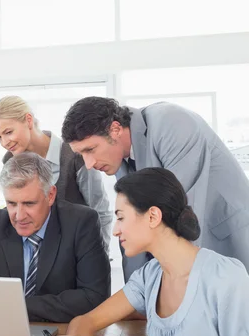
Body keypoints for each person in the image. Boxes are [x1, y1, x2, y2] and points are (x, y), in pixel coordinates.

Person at [41, 168, 249, 336]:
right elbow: (87, 320)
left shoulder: (225, 281)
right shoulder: (150, 276)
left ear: (152, 216)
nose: (115, 230)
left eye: (121, 217)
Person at [62, 96, 249, 280]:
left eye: (90, 150)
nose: (88, 164)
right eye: (81, 154)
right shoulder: (121, 160)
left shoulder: (172, 123)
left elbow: (177, 215)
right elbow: (136, 227)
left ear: (115, 129)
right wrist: (135, 292)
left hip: (228, 233)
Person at [0, 152, 110, 322]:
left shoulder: (81, 223)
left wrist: (16, 305)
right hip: (1, 329)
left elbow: (94, 297)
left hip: (63, 334)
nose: (19, 216)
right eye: (11, 203)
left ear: (50, 195)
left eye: (29, 203)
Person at [0, 96, 113, 250]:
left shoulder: (75, 156)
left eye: (8, 132)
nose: (4, 142)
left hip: (78, 249)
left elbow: (101, 211)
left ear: (28, 120)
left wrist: (100, 254)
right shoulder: (9, 160)